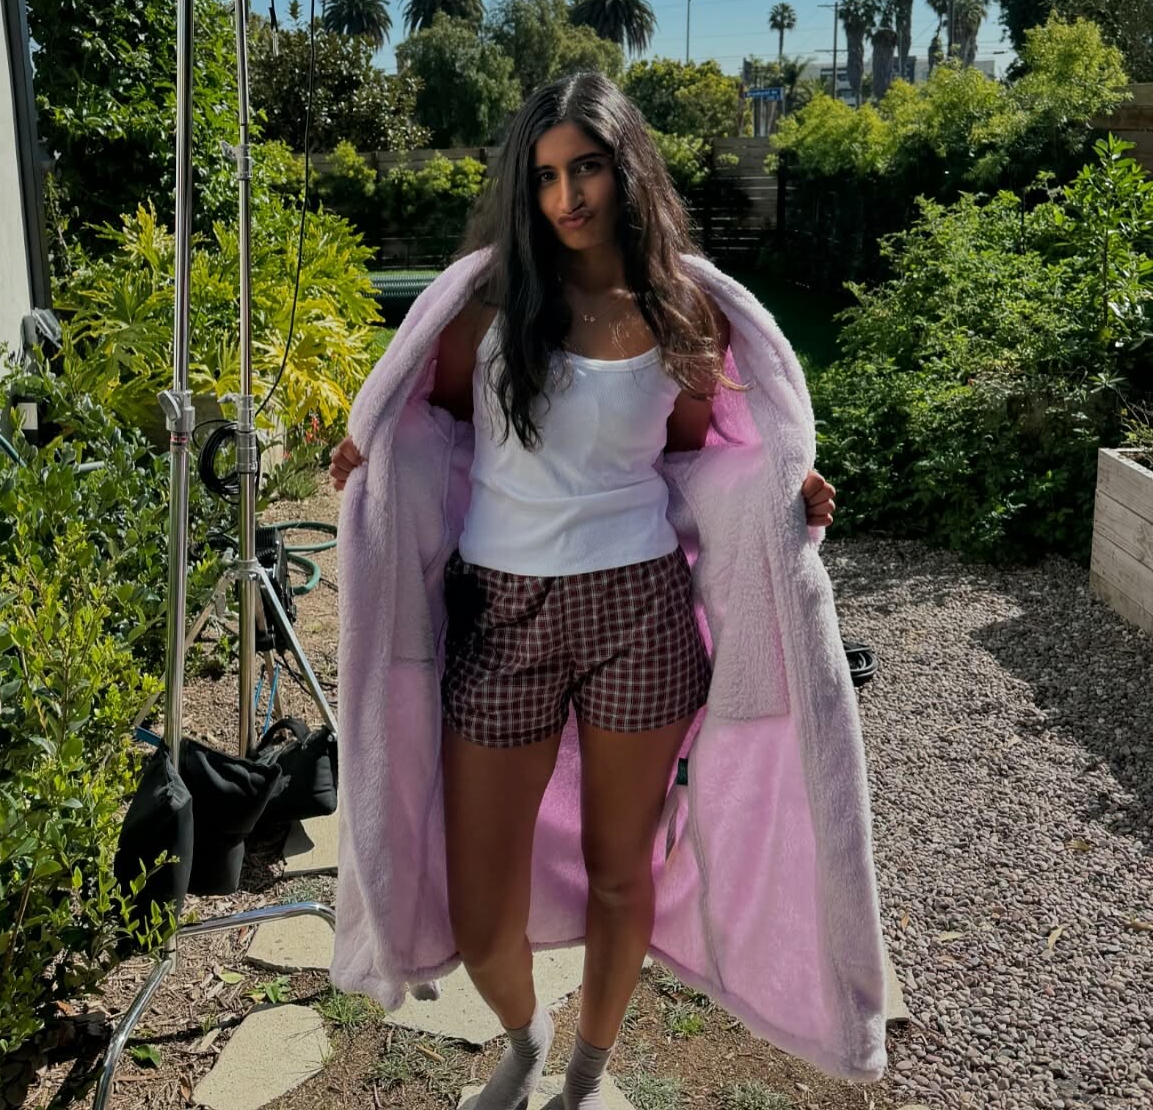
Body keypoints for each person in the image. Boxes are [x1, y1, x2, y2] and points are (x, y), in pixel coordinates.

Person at [331, 72, 836, 1110]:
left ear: (627, 170)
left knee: (620, 872)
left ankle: (586, 1076)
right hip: (500, 617)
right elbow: (425, 427)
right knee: (482, 911)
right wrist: (372, 459)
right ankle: (523, 1038)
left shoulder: (681, 311)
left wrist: (778, 491)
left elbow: (699, 461)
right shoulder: (486, 309)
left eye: (588, 168)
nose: (567, 196)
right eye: (547, 175)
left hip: (639, 612)